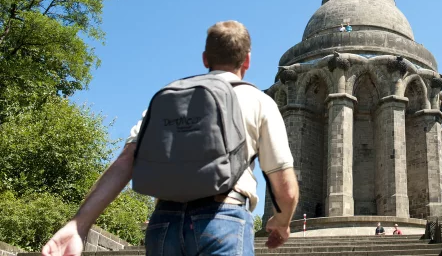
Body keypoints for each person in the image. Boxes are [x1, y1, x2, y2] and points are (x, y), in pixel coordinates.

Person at [41, 21, 300, 256]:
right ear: (247, 60)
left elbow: (124, 163)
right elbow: (285, 188)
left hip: (164, 222)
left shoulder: (168, 97)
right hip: (223, 219)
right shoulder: (259, 101)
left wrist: (78, 226)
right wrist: (281, 222)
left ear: (205, 58)